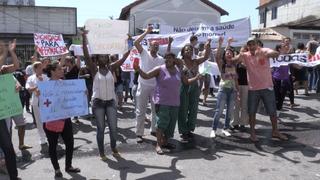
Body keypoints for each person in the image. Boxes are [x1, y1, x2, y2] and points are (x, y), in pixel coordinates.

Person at [134, 50, 196, 154]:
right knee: (161, 124)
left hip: (175, 102)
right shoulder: (160, 69)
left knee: (171, 125)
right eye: (166, 58)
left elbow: (186, 81)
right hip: (162, 102)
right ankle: (158, 144)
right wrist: (138, 69)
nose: (168, 60)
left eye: (170, 58)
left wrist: (196, 78)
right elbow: (146, 76)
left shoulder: (178, 70)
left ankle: (165, 142)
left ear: (174, 60)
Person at [82, 29, 130, 160]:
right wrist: (84, 38)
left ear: (107, 58)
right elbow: (86, 56)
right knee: (101, 129)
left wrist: (128, 41)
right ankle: (102, 152)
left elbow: (125, 56)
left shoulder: (112, 67)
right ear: (97, 59)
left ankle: (114, 148)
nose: (103, 58)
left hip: (111, 102)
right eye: (100, 56)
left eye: (105, 56)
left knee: (114, 128)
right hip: (97, 103)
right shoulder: (93, 69)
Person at [234, 37, 288, 142]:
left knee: (272, 111)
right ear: (247, 46)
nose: (251, 46)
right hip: (253, 89)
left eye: (253, 44)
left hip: (267, 87)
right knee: (252, 112)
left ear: (257, 44)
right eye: (249, 45)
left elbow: (275, 53)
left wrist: (269, 54)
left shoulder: (264, 51)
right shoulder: (245, 55)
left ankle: (275, 131)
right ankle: (253, 134)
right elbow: (232, 61)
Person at [42, 61, 80, 178]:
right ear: (52, 72)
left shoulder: (64, 83)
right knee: (52, 145)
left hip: (65, 118)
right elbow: (44, 103)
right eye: (59, 69)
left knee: (70, 143)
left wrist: (81, 94)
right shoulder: (45, 85)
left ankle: (68, 166)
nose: (62, 70)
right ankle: (57, 169)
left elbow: (71, 98)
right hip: (51, 120)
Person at [133, 26, 166, 143]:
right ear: (149, 46)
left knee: (155, 111)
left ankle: (153, 130)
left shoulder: (161, 59)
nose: (156, 46)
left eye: (157, 45)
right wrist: (147, 32)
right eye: (153, 45)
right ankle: (139, 133)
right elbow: (136, 42)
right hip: (143, 85)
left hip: (155, 87)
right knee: (140, 110)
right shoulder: (144, 53)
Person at [178, 38, 211, 142]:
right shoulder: (180, 62)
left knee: (193, 109)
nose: (189, 51)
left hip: (195, 87)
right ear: (183, 52)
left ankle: (190, 129)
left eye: (191, 50)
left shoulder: (195, 61)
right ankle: (183, 131)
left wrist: (208, 46)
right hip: (183, 87)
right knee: (183, 109)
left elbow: (206, 57)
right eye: (187, 50)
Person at [0, 39, 21, 180]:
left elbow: (17, 66)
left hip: (2, 115)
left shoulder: (3, 70)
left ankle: (13, 176)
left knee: (8, 147)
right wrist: (5, 51)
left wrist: (11, 52)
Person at [210, 37, 238, 138]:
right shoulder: (221, 64)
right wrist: (220, 44)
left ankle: (225, 128)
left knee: (230, 111)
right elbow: (217, 56)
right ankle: (213, 129)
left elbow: (235, 79)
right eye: (227, 53)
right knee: (219, 111)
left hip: (233, 90)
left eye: (231, 53)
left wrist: (237, 91)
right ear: (224, 55)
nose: (229, 54)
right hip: (223, 90)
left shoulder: (234, 64)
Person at [26, 61, 49, 149]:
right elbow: (28, 89)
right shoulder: (31, 78)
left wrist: (42, 82)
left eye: (41, 67)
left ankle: (49, 135)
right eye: (39, 67)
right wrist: (37, 87)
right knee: (39, 121)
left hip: (46, 101)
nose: (41, 69)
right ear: (35, 69)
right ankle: (42, 138)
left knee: (47, 119)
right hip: (36, 102)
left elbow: (49, 87)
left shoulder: (45, 77)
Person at [232, 45, 249, 131]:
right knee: (236, 105)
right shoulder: (236, 61)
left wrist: (245, 66)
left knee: (244, 105)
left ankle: (243, 123)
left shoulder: (249, 60)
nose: (243, 52)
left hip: (246, 85)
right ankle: (234, 123)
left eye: (245, 51)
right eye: (242, 51)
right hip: (237, 84)